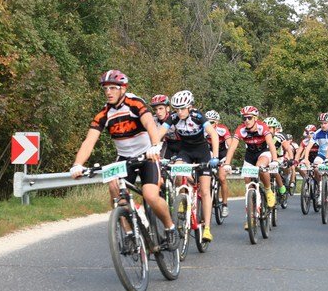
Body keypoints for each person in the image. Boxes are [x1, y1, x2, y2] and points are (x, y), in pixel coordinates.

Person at [70, 70, 177, 248]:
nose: (108, 92)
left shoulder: (134, 103)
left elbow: (150, 123)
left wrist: (155, 145)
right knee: (113, 184)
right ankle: (128, 233)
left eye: (113, 88)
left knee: (150, 195)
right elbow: (89, 141)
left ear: (123, 89)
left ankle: (170, 227)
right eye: (105, 89)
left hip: (146, 155)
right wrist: (77, 165)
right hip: (124, 158)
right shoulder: (104, 114)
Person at [161, 90, 220, 242]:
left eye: (182, 108)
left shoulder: (197, 116)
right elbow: (159, 133)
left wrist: (215, 156)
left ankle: (206, 228)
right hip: (185, 151)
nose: (179, 112)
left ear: (190, 107)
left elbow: (213, 134)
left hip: (202, 152)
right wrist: (152, 148)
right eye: (176, 109)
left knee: (206, 191)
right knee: (178, 171)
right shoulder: (173, 117)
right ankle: (183, 197)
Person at [223, 106, 280, 226]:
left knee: (260, 166)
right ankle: (250, 217)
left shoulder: (262, 127)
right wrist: (227, 163)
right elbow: (232, 147)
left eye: (249, 118)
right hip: (250, 155)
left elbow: (270, 143)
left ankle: (269, 191)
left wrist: (275, 160)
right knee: (248, 185)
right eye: (244, 118)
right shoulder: (241, 129)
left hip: (263, 152)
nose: (246, 120)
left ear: (255, 118)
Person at [205, 110, 235, 218]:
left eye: (212, 122)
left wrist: (228, 161)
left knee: (222, 178)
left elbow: (230, 145)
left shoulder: (222, 129)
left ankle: (225, 204)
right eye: (207, 122)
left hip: (222, 154)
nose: (209, 125)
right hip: (209, 153)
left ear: (216, 123)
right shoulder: (202, 130)